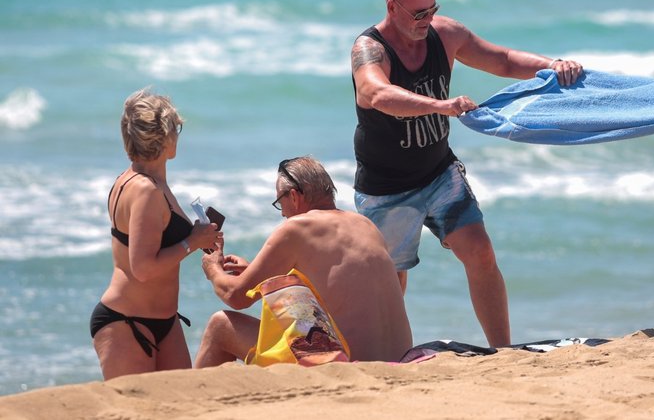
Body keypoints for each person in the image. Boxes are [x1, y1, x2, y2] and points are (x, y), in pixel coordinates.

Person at [350, 0, 583, 347]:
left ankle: (502, 351)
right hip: (387, 187)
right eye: (418, 13)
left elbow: (503, 59)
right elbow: (375, 94)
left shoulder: (446, 33)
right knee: (392, 280)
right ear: (392, 7)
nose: (428, 20)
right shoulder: (369, 49)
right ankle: (385, 355)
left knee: (481, 251)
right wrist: (439, 106)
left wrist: (551, 65)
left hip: (439, 173)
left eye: (432, 9)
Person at [195, 156, 413, 366]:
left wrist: (213, 268)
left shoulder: (297, 228)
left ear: (294, 196)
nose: (282, 214)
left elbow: (235, 296)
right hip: (399, 357)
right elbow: (340, 286)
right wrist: (255, 271)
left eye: (279, 202)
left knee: (220, 325)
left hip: (347, 366)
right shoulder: (365, 225)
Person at [91, 88, 222, 380]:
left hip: (165, 320)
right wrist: (191, 241)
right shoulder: (146, 190)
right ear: (165, 137)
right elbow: (143, 267)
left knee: (183, 407)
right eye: (176, 129)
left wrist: (201, 238)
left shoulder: (145, 181)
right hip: (127, 322)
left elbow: (158, 242)